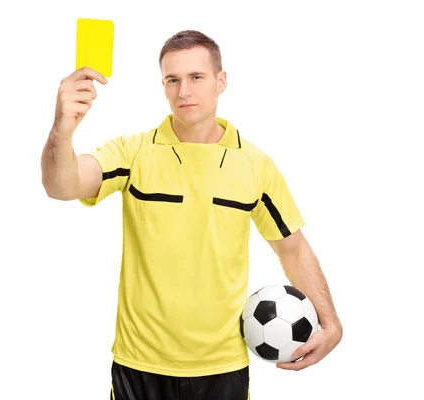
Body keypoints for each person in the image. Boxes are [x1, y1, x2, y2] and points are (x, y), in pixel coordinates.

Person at [41, 29, 342, 400]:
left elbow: (292, 248)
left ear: (221, 81)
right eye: (172, 80)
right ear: (163, 86)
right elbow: (61, 185)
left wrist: (330, 322)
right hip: (140, 366)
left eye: (196, 77)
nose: (183, 91)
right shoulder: (134, 153)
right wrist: (62, 131)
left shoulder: (255, 165)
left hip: (223, 368)